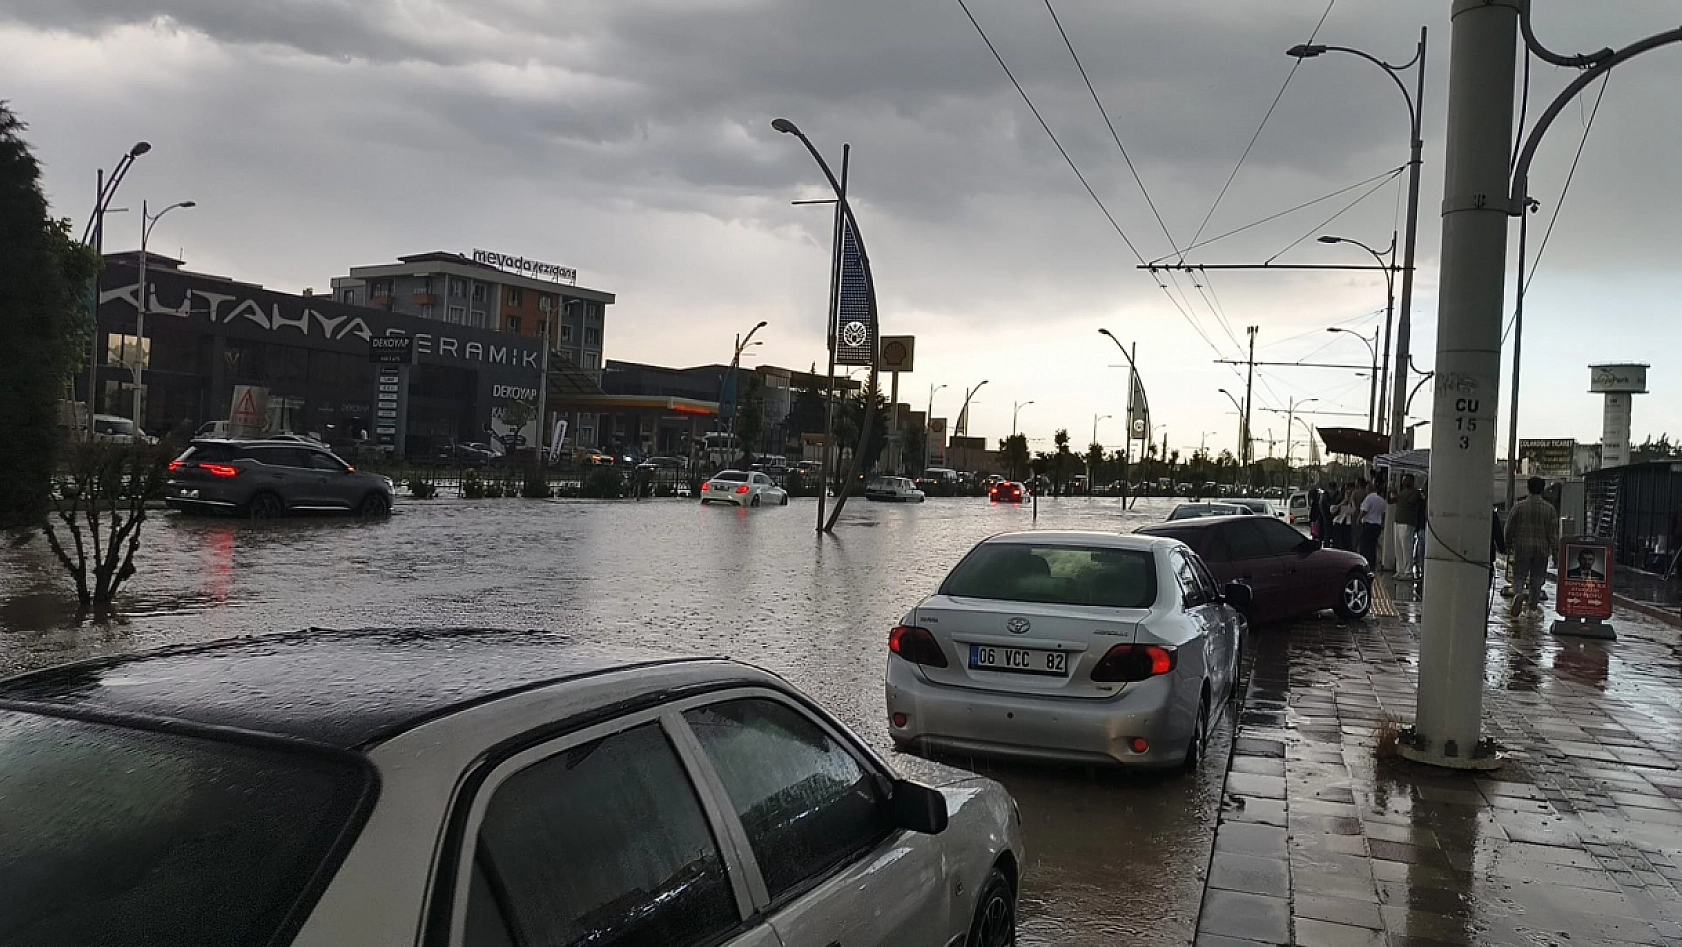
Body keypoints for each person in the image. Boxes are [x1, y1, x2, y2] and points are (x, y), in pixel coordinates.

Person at [1505, 477, 1560, 616]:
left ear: (1528, 488)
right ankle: (1532, 608)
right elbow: (1553, 534)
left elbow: (1509, 527)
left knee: (1519, 575)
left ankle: (1518, 594)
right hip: (1542, 549)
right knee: (1537, 577)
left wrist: (1507, 544)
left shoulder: (1519, 507)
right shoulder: (1550, 509)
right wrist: (1556, 553)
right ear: (1542, 490)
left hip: (1522, 547)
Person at [1393, 474, 1426, 579]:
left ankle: (1408, 571)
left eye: (1405, 480)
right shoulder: (1402, 492)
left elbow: (1408, 502)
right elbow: (1392, 500)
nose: (1403, 482)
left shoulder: (1415, 493)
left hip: (1407, 523)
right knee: (1398, 547)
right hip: (1398, 521)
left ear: (1411, 481)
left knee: (1406, 547)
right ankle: (1400, 569)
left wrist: (1396, 494)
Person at [1358, 477, 1386, 569]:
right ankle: (1372, 564)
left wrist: (1359, 518)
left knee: (1364, 545)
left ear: (1369, 489)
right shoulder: (1382, 500)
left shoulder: (1369, 498)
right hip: (1377, 525)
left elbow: (1364, 510)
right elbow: (1383, 513)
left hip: (1368, 524)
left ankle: (1364, 563)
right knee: (1372, 546)